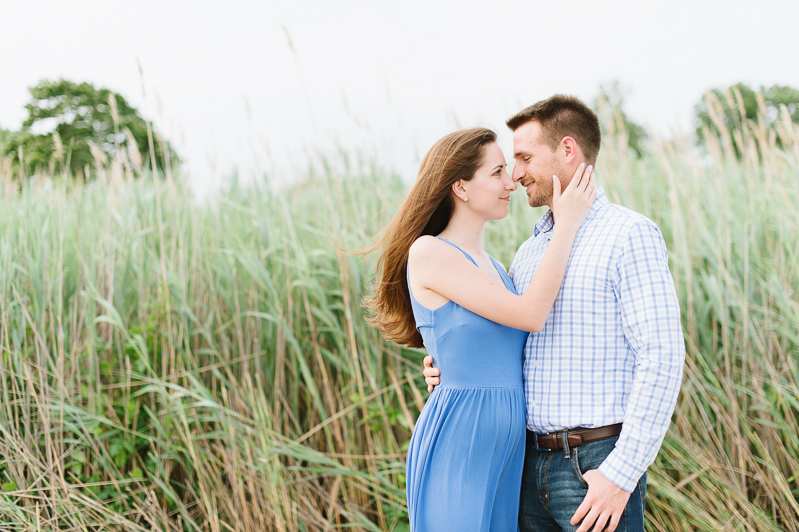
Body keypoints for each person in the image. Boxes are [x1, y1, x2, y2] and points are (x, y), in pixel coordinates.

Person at [424, 95, 685, 532]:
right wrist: (449, 367)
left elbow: (662, 357)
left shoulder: (628, 234)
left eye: (525, 157)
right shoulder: (527, 254)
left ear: (567, 151)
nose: (516, 173)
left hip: (594, 464)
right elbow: (506, 344)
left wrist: (620, 475)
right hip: (526, 467)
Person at [365, 127, 596, 532]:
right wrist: (567, 225)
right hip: (462, 440)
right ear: (461, 187)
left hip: (507, 449)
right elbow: (531, 315)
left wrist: (443, 361)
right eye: (498, 172)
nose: (511, 182)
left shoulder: (495, 267)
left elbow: (497, 346)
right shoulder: (430, 252)